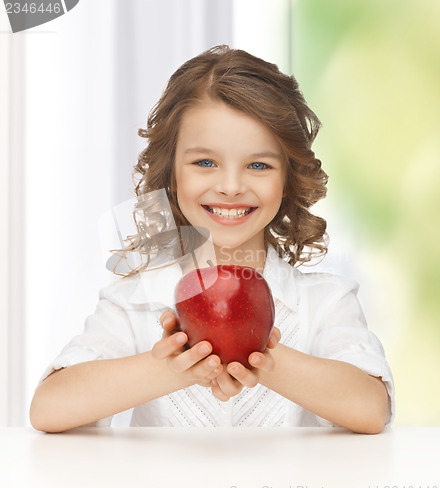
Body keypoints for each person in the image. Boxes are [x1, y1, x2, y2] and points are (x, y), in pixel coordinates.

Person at [30, 45, 394, 433]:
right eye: (205, 162)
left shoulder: (323, 302)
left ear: (287, 180)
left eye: (258, 165)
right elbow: (48, 410)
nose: (231, 186)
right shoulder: (135, 301)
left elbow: (372, 410)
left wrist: (263, 357)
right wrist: (167, 366)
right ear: (172, 173)